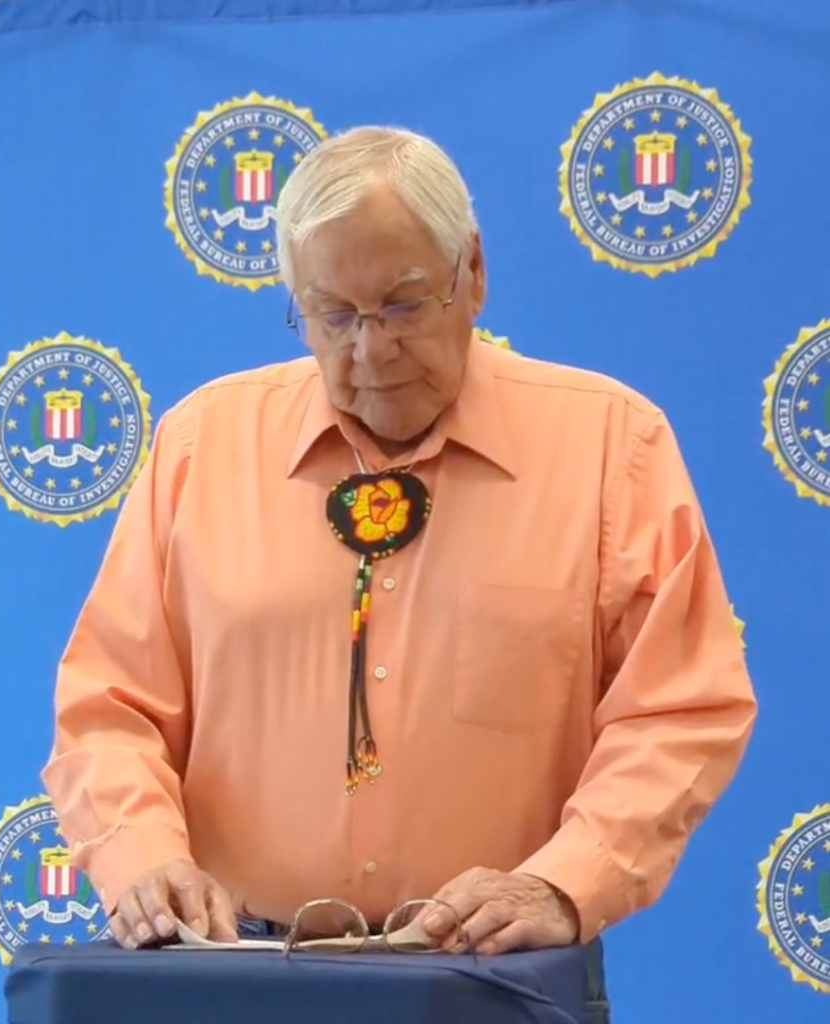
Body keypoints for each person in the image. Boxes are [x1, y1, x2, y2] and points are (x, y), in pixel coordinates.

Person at [42, 126, 756, 1009]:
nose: (370, 350)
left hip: (493, 978)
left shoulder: (615, 447)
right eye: (332, 316)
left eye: (404, 305)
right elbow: (109, 706)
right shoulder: (199, 447)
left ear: (474, 272)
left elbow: (681, 709)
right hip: (237, 974)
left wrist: (564, 882)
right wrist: (143, 860)